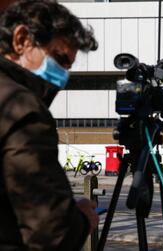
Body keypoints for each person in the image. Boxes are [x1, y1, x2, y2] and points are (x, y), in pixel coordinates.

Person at [0, 0, 99, 250]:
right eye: (59, 58)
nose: (63, 74)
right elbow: (51, 231)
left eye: (68, 66)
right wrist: (82, 220)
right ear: (21, 39)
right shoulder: (22, 107)